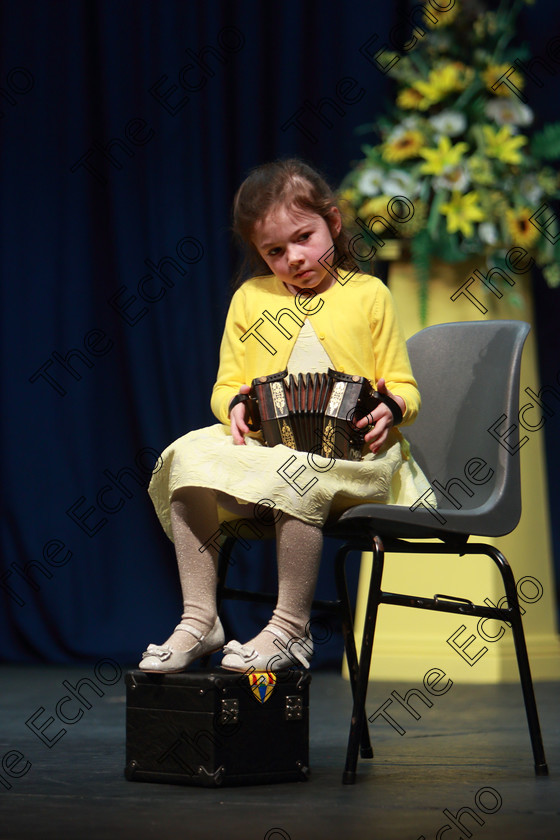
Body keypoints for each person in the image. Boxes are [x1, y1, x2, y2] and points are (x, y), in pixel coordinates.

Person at [140, 158, 433, 674]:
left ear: (334, 225)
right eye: (275, 251)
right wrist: (233, 406)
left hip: (355, 459)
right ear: (258, 252)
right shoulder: (251, 299)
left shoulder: (368, 295)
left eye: (304, 237)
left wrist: (392, 408)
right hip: (270, 449)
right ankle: (199, 617)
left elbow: (404, 386)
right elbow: (228, 385)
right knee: (184, 457)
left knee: (296, 474)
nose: (294, 258)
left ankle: (291, 629)